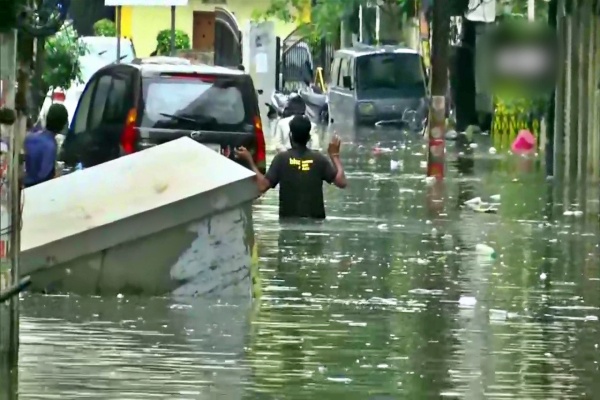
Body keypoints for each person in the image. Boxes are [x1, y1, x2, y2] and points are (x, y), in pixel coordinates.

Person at [236, 115, 346, 219]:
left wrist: (250, 160)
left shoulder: (281, 159)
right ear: (308, 137)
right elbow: (341, 183)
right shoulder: (319, 160)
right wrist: (334, 156)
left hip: (288, 221)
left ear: (290, 136)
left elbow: (262, 187)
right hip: (315, 224)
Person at [23, 103, 68, 188]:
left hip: (26, 185)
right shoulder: (51, 145)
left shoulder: (30, 137)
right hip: (38, 189)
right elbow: (43, 175)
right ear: (62, 125)